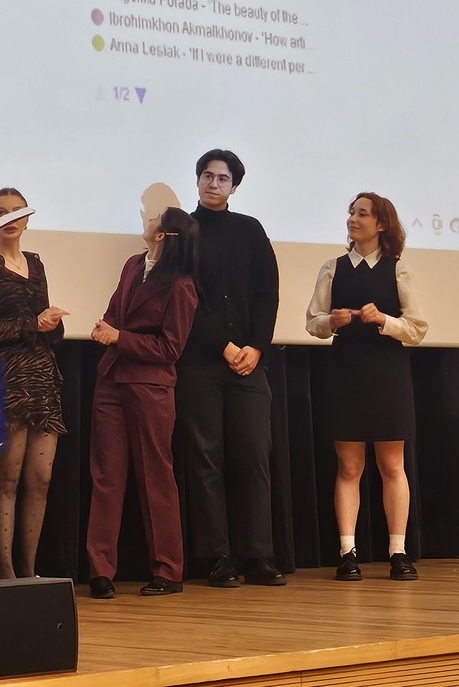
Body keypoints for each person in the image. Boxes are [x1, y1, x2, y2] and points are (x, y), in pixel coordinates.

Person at [175, 149, 285, 588]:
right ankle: (217, 558)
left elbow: (267, 293)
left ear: (234, 186)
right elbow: (185, 299)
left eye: (222, 178)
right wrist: (223, 345)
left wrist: (256, 346)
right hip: (200, 364)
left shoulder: (250, 230)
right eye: (207, 175)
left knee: (253, 456)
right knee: (205, 460)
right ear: (197, 180)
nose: (213, 183)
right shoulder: (183, 231)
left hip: (249, 365)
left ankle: (258, 555)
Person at [305, 192, 427, 581]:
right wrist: (331, 322)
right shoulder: (333, 268)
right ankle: (347, 553)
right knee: (349, 466)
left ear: (381, 223)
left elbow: (417, 329)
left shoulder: (398, 269)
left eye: (362, 213)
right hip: (346, 372)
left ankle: (398, 552)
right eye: (351, 212)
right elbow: (313, 322)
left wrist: (384, 320)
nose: (353, 219)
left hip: (387, 374)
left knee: (392, 465)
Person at [85, 207, 199, 599]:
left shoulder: (181, 285)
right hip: (111, 382)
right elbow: (114, 312)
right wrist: (105, 328)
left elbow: (170, 349)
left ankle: (167, 570)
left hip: (150, 388)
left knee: (155, 477)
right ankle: (100, 571)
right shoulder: (133, 264)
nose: (148, 220)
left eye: (156, 218)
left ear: (164, 235)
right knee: (106, 477)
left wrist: (119, 337)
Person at [0, 188, 67, 579]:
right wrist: (32, 324)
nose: (9, 218)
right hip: (6, 380)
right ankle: (6, 571)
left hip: (43, 377)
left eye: (16, 212)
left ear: (27, 219)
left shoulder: (36, 263)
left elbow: (45, 328)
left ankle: (30, 570)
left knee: (40, 480)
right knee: (7, 480)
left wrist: (52, 324)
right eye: (0, 212)